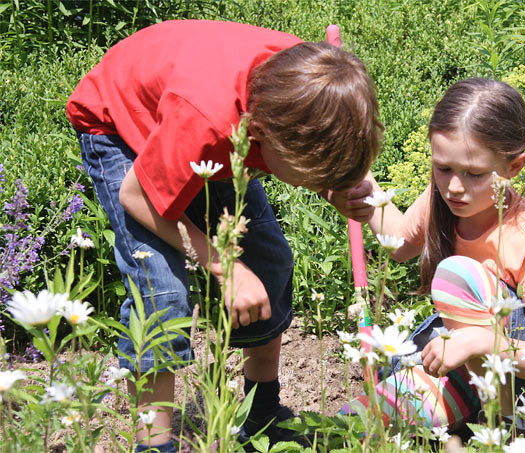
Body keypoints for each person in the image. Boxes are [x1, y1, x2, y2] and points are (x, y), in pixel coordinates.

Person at [66, 19, 382, 452]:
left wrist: (337, 189)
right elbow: (136, 198)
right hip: (121, 127)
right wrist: (222, 266)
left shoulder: (312, 85)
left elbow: (320, 159)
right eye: (312, 177)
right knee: (161, 291)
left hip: (197, 132)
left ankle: (261, 414)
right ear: (258, 137)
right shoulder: (205, 119)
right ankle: (153, 444)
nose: (318, 184)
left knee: (268, 263)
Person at [336, 78, 525, 432]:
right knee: (355, 421)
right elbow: (402, 243)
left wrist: (480, 341)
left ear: (513, 168)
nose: (454, 186)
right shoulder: (444, 198)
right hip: (469, 360)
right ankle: (467, 408)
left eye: (475, 174)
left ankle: (504, 422)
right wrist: (362, 183)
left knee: (457, 275)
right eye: (443, 168)